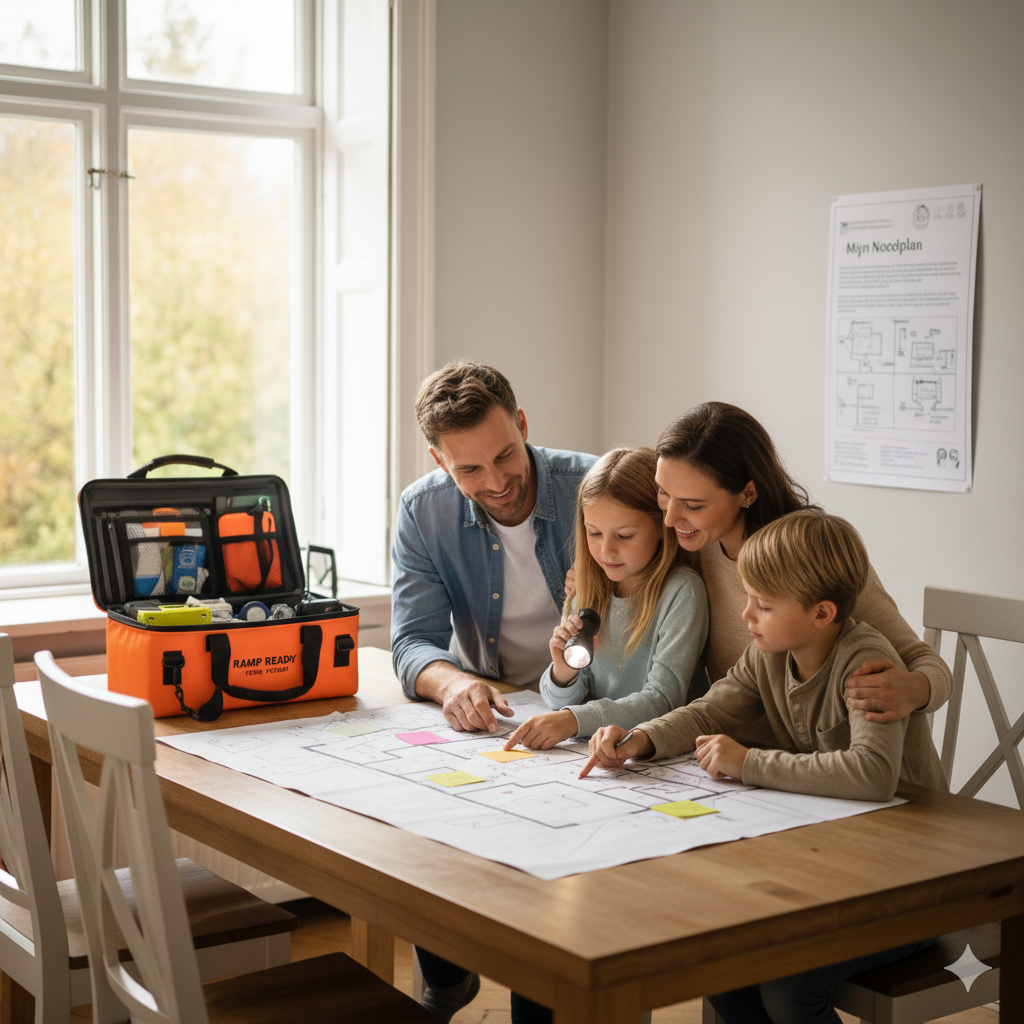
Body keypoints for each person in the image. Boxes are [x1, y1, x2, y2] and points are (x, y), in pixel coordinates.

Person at [581, 510, 945, 1024]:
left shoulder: (866, 662)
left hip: (911, 882)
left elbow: (872, 773)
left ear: (821, 613)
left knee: (789, 985)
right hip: (836, 865)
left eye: (763, 604)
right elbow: (710, 709)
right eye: (748, 598)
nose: (746, 615)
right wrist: (641, 740)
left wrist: (749, 762)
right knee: (724, 963)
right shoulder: (771, 650)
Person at [390, 360, 596, 1022]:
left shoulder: (597, 487)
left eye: (505, 455)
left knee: (551, 883)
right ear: (439, 460)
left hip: (590, 707)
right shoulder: (424, 510)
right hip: (499, 709)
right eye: (469, 470)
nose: (497, 481)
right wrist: (453, 682)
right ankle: (447, 979)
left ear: (524, 424)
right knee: (430, 820)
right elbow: (412, 643)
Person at [652, 402, 951, 733]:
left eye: (694, 505)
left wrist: (915, 689)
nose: (670, 518)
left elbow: (926, 664)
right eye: (663, 493)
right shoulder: (692, 545)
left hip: (831, 767)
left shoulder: (813, 556)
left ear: (747, 493)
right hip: (735, 761)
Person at [503, 446, 708, 751]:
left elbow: (664, 701)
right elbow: (563, 701)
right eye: (594, 534)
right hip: (603, 745)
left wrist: (574, 720)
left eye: (624, 536)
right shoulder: (584, 595)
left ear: (662, 528)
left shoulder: (682, 593)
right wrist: (563, 672)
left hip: (664, 750)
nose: (606, 551)